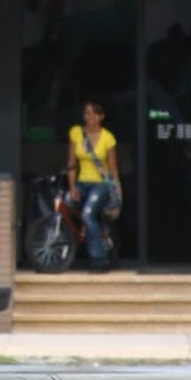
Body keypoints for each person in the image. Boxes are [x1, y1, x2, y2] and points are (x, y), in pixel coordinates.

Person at [67, 98, 120, 274]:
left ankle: (100, 258)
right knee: (66, 200)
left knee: (88, 214)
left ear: (101, 117)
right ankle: (83, 232)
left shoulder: (108, 138)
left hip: (101, 185)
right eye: (86, 113)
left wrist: (117, 192)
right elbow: (71, 164)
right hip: (82, 182)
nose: (89, 116)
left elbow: (112, 168)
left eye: (93, 113)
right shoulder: (76, 132)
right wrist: (73, 187)